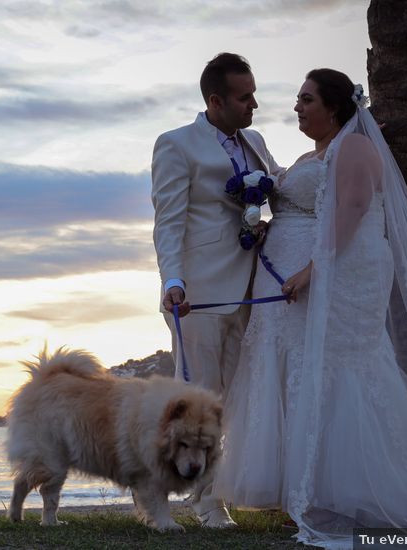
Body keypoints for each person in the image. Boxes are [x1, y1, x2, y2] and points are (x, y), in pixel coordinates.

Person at [212, 68, 407, 549]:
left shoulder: (355, 147)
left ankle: (376, 490)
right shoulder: (309, 155)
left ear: (334, 106)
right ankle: (307, 486)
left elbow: (354, 209)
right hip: (294, 282)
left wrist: (314, 270)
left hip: (339, 276)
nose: (297, 107)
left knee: (344, 369)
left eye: (306, 99)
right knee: (300, 368)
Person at [151, 52, 282, 528]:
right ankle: (205, 503)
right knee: (200, 401)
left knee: (238, 397)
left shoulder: (256, 141)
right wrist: (173, 281)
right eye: (245, 97)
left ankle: (231, 486)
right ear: (215, 100)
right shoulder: (176, 144)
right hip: (198, 295)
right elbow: (168, 221)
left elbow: (278, 191)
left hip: (254, 286)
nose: (254, 105)